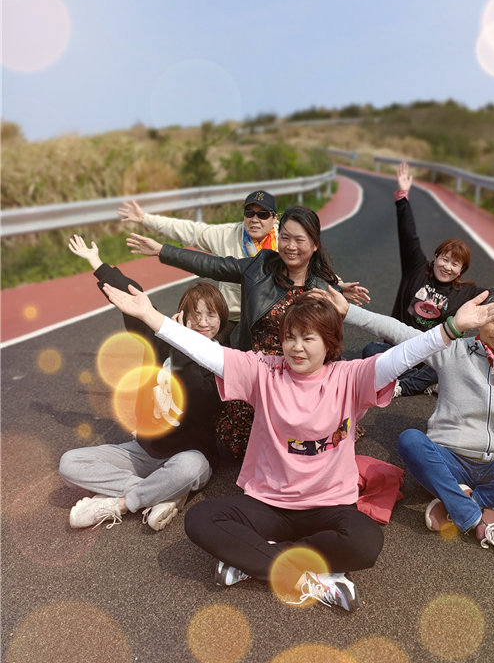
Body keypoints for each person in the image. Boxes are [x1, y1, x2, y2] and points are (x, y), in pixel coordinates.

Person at [100, 282, 494, 610]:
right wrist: (151, 317)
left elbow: (403, 356)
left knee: (366, 543)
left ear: (329, 343)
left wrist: (451, 328)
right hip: (268, 503)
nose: (297, 347)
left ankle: (254, 560)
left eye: (308, 338)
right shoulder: (264, 371)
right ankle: (306, 577)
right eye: (290, 337)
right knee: (201, 519)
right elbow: (209, 353)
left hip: (328, 505)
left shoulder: (351, 377)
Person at [321, 284, 494, 559]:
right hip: (451, 462)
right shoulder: (452, 351)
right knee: (410, 440)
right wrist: (349, 312)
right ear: (480, 319)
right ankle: (479, 519)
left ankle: (463, 502)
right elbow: (398, 331)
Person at [125, 205, 370, 457]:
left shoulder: (322, 287)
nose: (290, 246)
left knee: (298, 441)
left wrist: (339, 400)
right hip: (258, 372)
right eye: (285, 237)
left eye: (299, 240)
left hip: (299, 373)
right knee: (234, 443)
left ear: (315, 244)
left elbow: (329, 344)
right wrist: (162, 251)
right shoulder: (260, 266)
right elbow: (213, 265)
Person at [58, 235, 228, 531]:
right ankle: (163, 493)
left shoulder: (222, 359)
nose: (203, 322)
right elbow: (135, 301)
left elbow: (198, 398)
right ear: (182, 316)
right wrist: (97, 263)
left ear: (221, 320)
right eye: (195, 314)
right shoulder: (160, 340)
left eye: (210, 315)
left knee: (192, 469)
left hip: (188, 454)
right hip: (145, 451)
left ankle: (120, 503)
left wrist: (180, 346)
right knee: (70, 463)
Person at [364, 163, 494, 397]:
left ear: (461, 271)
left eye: (455, 264)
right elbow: (408, 235)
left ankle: (401, 384)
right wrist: (403, 196)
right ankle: (419, 381)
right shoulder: (416, 270)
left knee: (450, 362)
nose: (447, 266)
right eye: (444, 259)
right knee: (371, 350)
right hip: (399, 346)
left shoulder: (466, 294)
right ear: (435, 258)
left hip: (430, 356)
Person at [118, 189, 280, 343]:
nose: (254, 219)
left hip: (270, 315)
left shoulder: (285, 242)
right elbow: (191, 231)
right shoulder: (227, 234)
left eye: (263, 214)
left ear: (274, 218)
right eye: (249, 213)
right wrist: (145, 219)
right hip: (232, 317)